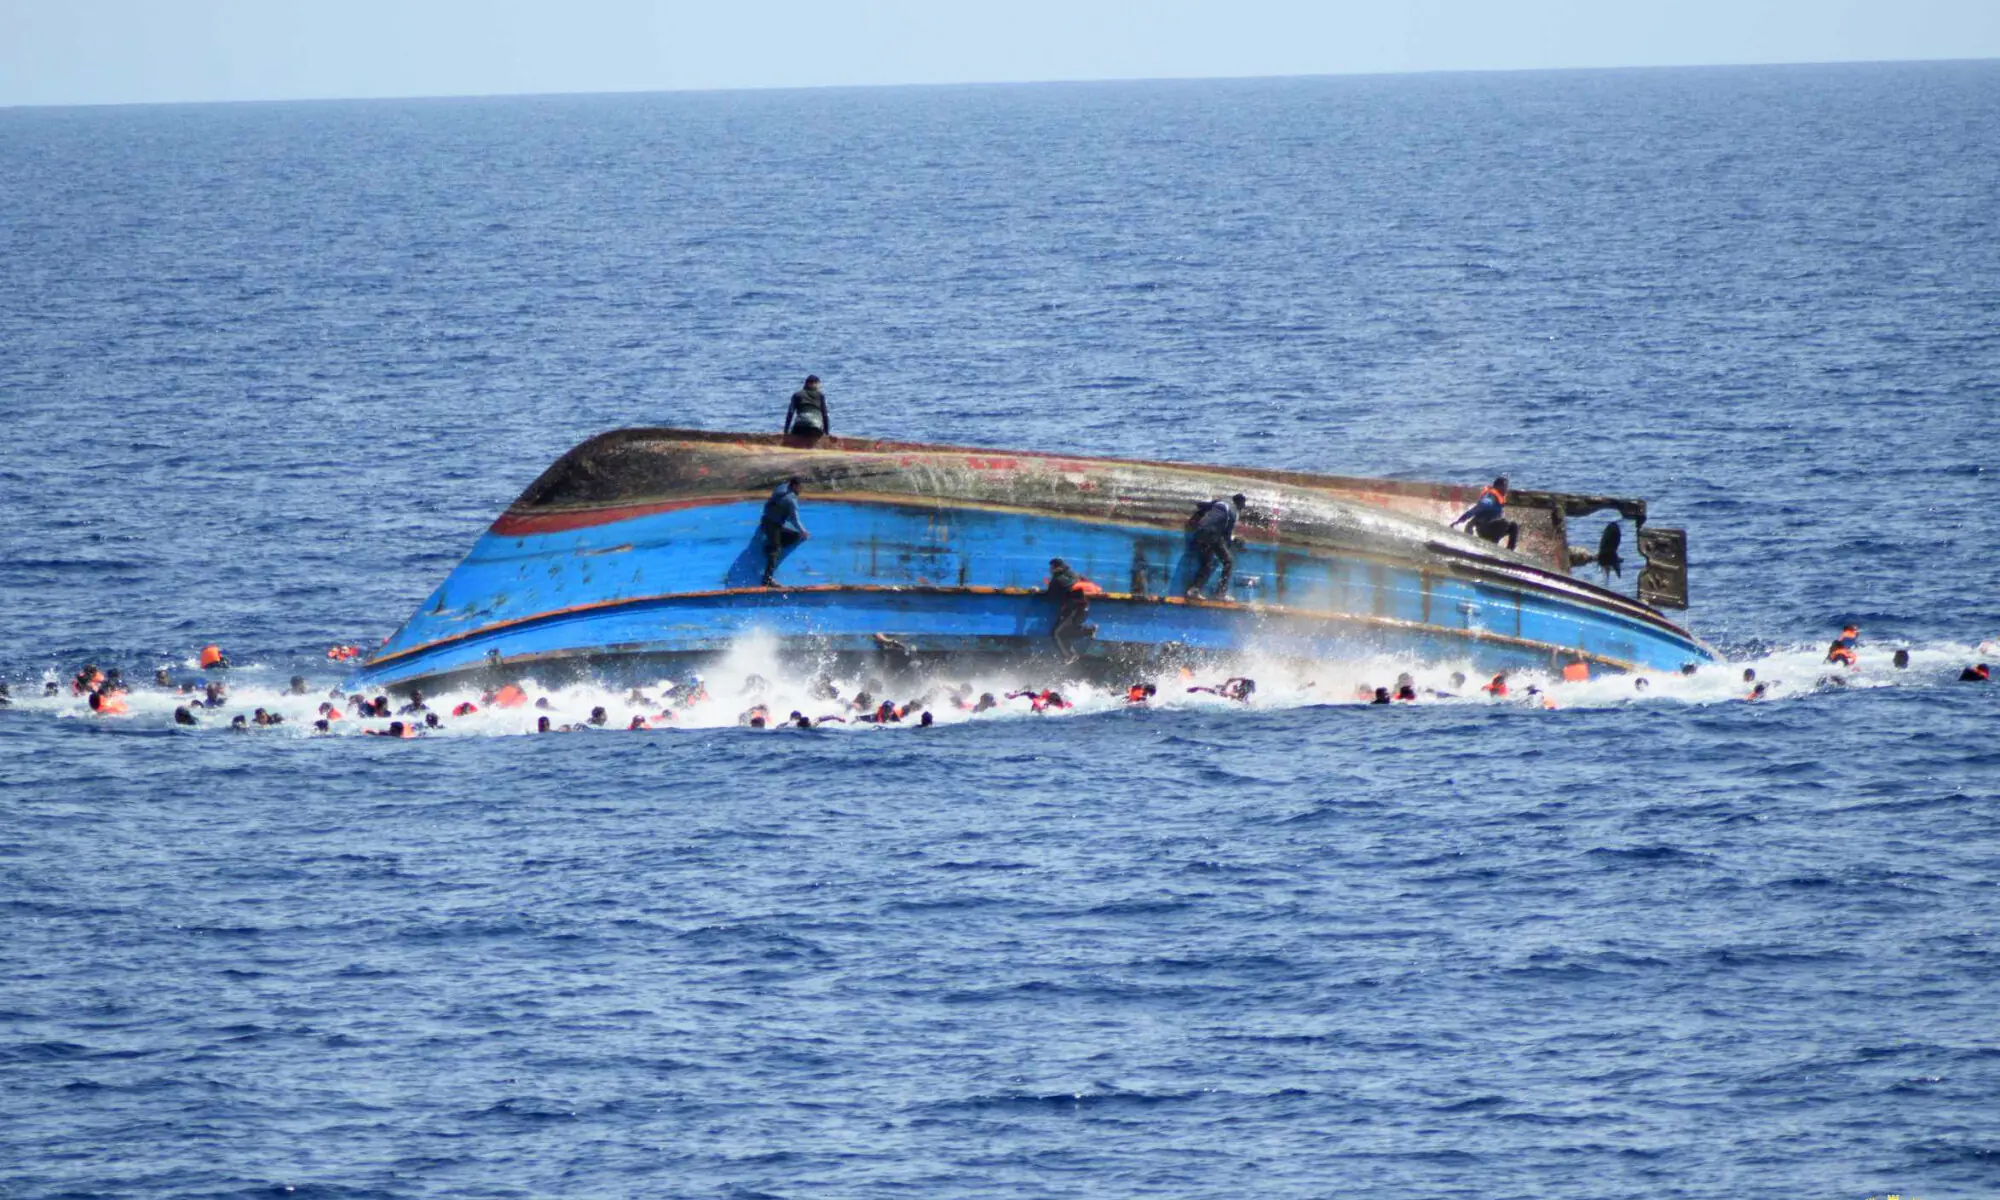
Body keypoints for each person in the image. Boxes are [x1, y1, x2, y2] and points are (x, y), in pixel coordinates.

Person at [1185, 494, 1245, 599]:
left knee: (1207, 564)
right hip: (1212, 534)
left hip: (1200, 531)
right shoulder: (1233, 511)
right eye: (1243, 505)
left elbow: (1200, 505)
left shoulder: (1220, 503)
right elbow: (1227, 533)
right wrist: (1229, 544)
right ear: (1240, 504)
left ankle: (1194, 590)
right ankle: (1220, 593)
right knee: (1228, 562)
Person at [1045, 558, 1101, 660]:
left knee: (1056, 633)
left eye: (1051, 567)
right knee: (1065, 631)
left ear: (1054, 568)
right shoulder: (1075, 574)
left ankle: (1069, 656)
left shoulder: (1057, 579)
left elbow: (1049, 597)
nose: (1050, 570)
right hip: (1083, 606)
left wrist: (1035, 590)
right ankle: (1088, 631)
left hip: (1072, 609)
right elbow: (1086, 583)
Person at [760, 477, 809, 588]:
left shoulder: (781, 487)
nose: (801, 489)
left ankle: (770, 547)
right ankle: (767, 579)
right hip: (773, 526)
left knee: (792, 536)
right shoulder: (791, 499)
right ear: (795, 486)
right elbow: (795, 519)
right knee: (777, 548)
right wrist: (803, 532)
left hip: (765, 521)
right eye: (800, 487)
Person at [1450, 476, 1519, 551]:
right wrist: (1461, 521)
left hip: (1491, 528)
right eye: (1505, 486)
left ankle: (1509, 551)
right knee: (1504, 522)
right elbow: (1478, 508)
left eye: (1507, 486)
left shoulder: (1499, 497)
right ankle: (1492, 545)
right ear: (1497, 486)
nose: (1506, 489)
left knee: (1513, 526)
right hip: (1484, 529)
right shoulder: (1490, 496)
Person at [784, 375, 830, 442]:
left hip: (799, 427)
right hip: (815, 428)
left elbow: (790, 413)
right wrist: (827, 433)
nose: (820, 387)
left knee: (795, 432)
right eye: (819, 384)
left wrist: (785, 431)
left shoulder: (797, 394)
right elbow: (825, 415)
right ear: (815, 384)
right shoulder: (820, 395)